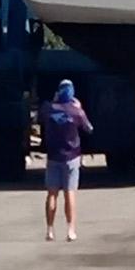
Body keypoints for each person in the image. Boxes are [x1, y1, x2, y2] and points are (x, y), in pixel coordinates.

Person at [39, 79, 93, 241]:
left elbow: (40, 117)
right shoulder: (76, 111)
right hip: (72, 157)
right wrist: (80, 109)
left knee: (52, 194)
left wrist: (54, 102)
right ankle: (70, 230)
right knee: (70, 194)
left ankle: (49, 230)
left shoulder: (49, 109)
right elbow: (89, 128)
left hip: (53, 157)